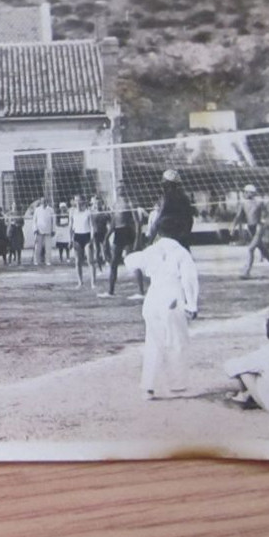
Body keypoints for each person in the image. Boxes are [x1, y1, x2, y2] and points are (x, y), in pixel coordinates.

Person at [125, 225, 199, 400]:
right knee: (177, 341)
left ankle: (148, 387)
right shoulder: (182, 252)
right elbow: (189, 280)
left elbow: (130, 261)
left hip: (153, 297)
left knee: (153, 342)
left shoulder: (152, 249)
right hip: (172, 297)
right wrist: (192, 305)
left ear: (159, 233)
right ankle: (178, 385)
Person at [234, 184, 269, 279]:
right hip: (250, 228)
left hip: (258, 227)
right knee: (265, 252)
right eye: (245, 192)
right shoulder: (243, 203)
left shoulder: (258, 202)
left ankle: (246, 272)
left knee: (250, 249)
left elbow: (267, 214)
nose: (245, 194)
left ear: (251, 193)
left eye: (247, 192)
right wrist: (232, 227)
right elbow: (238, 216)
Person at [103, 188, 140, 298]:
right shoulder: (115, 204)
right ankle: (111, 291)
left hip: (128, 231)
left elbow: (137, 222)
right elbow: (114, 223)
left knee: (133, 262)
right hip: (118, 232)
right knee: (113, 263)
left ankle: (141, 292)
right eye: (119, 188)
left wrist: (137, 239)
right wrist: (107, 237)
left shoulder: (130, 203)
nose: (121, 190)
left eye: (123, 187)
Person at [147, 169, 195, 251]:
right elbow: (190, 219)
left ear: (167, 183)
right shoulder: (185, 198)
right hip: (181, 237)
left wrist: (150, 240)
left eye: (163, 181)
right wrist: (186, 234)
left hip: (167, 238)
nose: (161, 183)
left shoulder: (165, 198)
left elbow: (158, 220)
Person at [69, 194, 95, 288]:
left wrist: (92, 238)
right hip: (77, 237)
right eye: (76, 201)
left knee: (90, 260)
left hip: (87, 236)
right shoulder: (72, 212)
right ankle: (80, 282)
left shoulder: (88, 212)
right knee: (77, 261)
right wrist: (70, 240)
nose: (78, 203)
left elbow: (92, 226)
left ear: (83, 201)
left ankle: (93, 283)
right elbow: (70, 227)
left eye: (79, 200)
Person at [31, 197, 55, 267]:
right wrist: (35, 229)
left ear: (47, 202)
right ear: (41, 202)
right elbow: (34, 221)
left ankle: (48, 261)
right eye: (42, 201)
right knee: (38, 247)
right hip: (39, 231)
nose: (44, 203)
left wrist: (53, 230)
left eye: (45, 201)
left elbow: (53, 221)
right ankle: (36, 261)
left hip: (48, 231)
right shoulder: (37, 210)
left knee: (48, 247)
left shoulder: (51, 210)